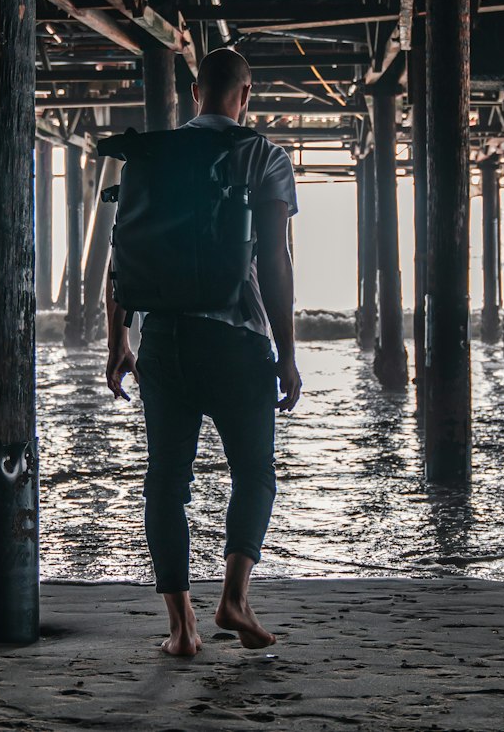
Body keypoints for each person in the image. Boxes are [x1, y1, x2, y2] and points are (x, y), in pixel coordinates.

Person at [105, 47, 302, 657]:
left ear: (196, 93)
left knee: (166, 481)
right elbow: (274, 261)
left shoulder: (153, 154)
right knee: (254, 472)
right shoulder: (263, 155)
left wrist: (119, 339)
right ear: (246, 96)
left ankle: (181, 627)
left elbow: (124, 250)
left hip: (163, 338)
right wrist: (287, 352)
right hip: (238, 339)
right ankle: (234, 598)